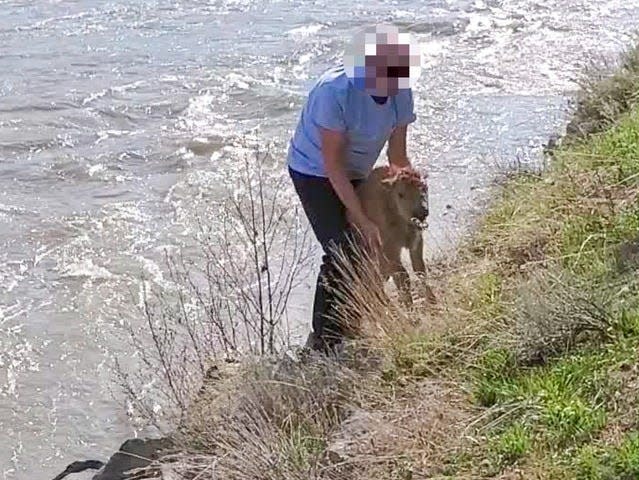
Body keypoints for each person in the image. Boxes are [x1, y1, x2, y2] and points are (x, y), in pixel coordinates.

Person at [287, 24, 423, 353]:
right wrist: (359, 215)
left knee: (376, 245)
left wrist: (410, 178)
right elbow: (333, 165)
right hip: (314, 171)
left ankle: (353, 319)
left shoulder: (401, 92)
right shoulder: (333, 92)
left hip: (359, 170)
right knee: (343, 247)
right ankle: (323, 341)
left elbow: (396, 155)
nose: (391, 84)